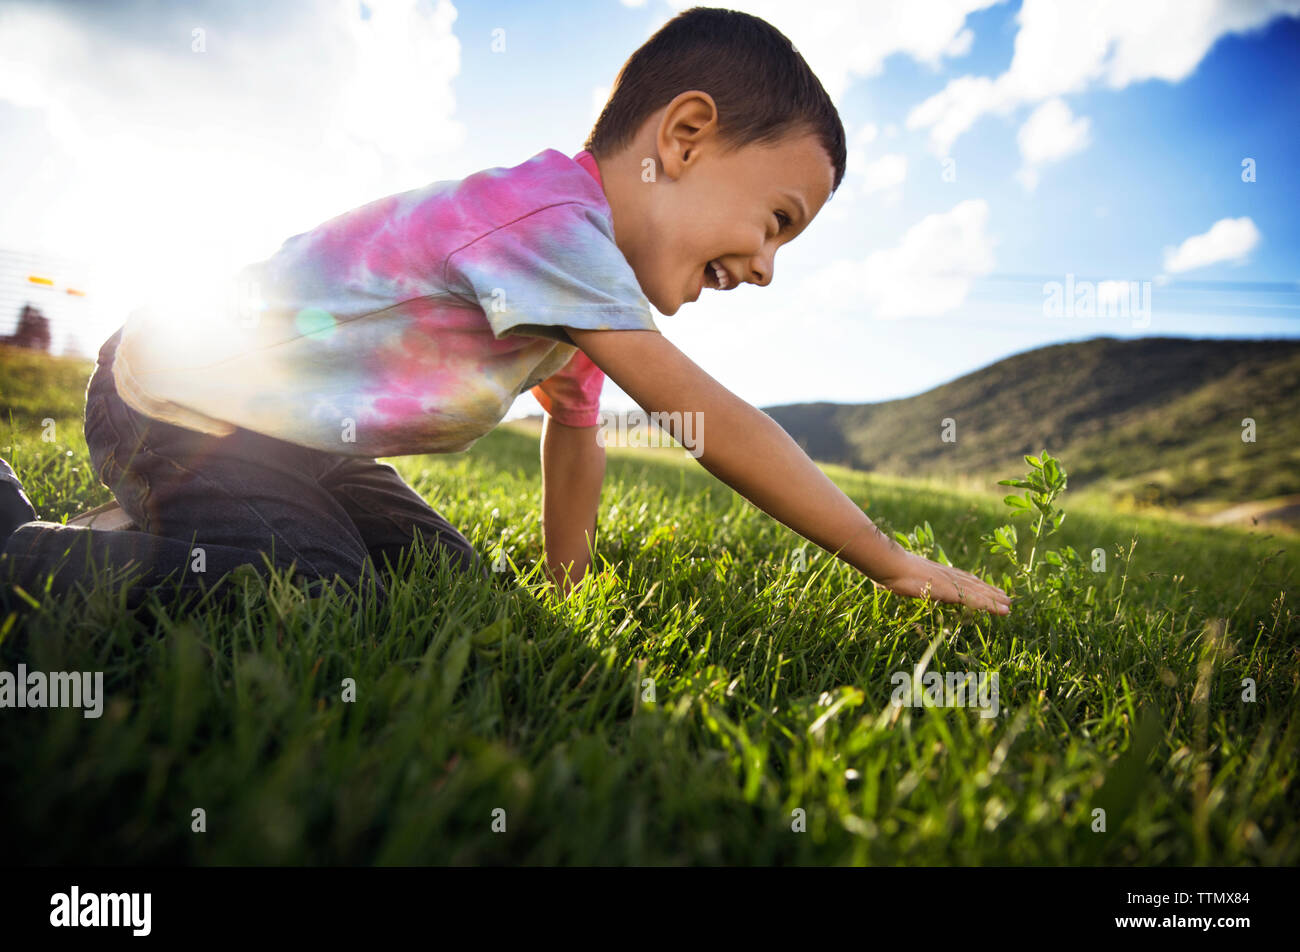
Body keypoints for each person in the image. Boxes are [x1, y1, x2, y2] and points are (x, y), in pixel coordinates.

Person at [0, 7, 1010, 617]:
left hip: (296, 443)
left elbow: (575, 441)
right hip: (177, 404)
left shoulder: (577, 293)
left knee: (446, 578)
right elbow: (707, 418)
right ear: (688, 135)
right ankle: (24, 545)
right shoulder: (546, 225)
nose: (766, 266)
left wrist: (567, 587)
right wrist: (884, 556)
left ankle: (153, 524)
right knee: (312, 589)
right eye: (776, 221)